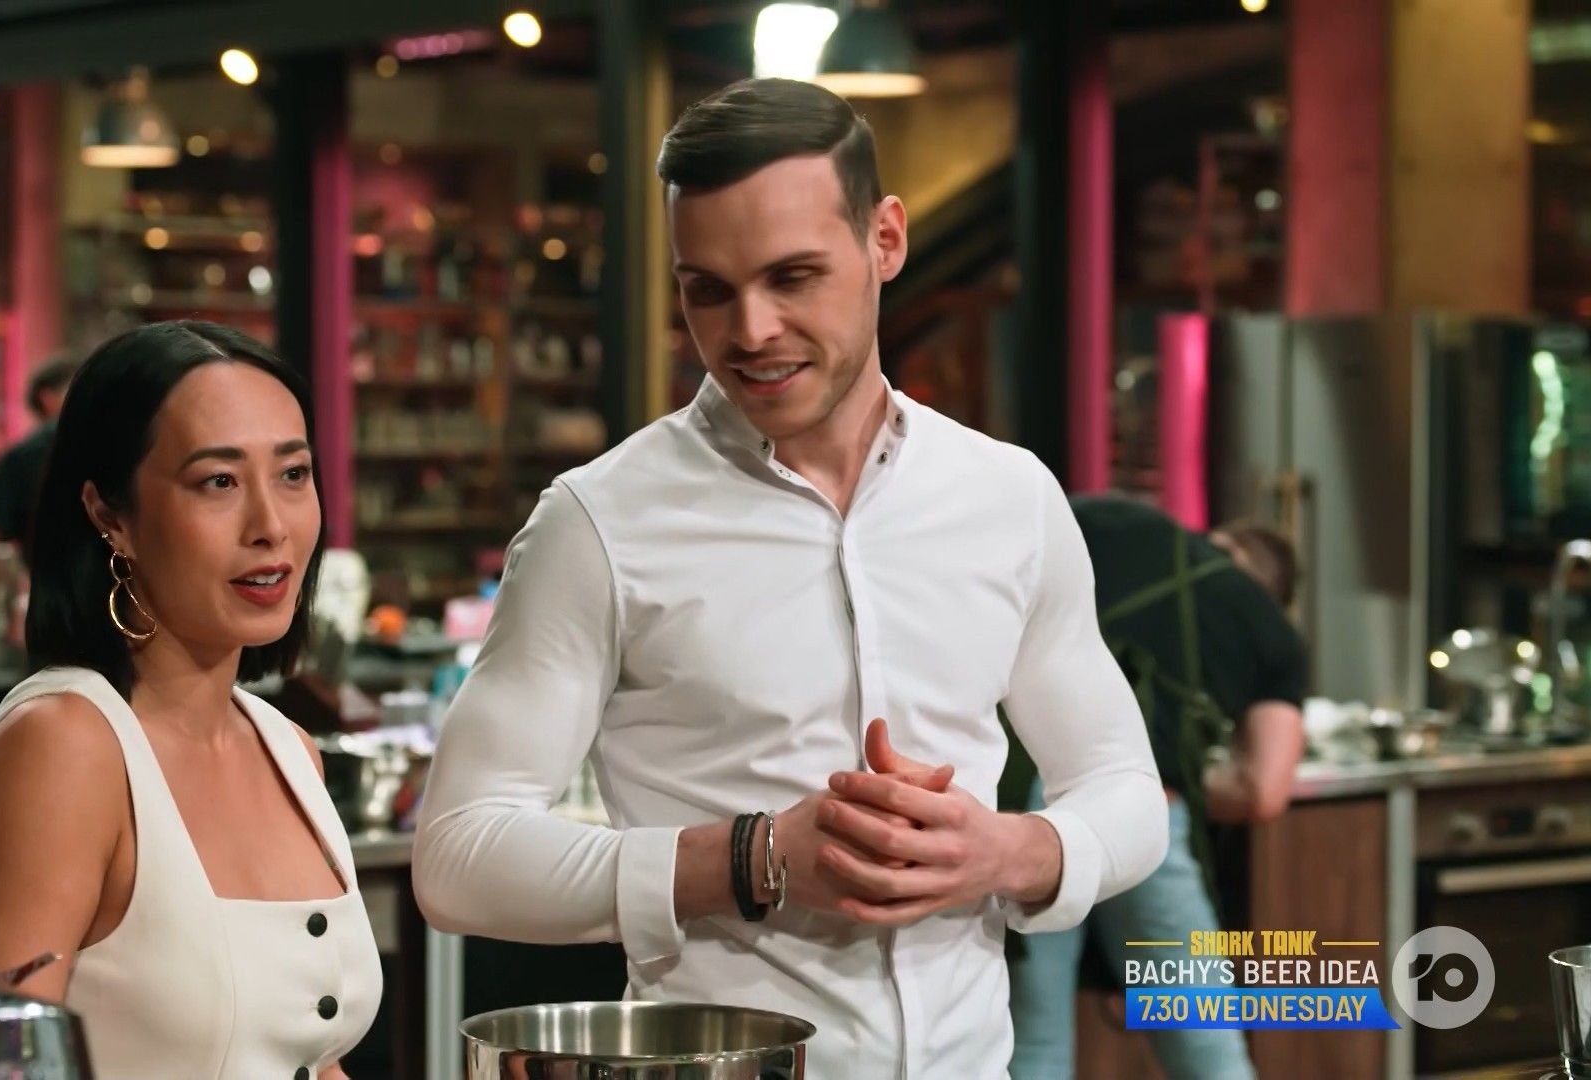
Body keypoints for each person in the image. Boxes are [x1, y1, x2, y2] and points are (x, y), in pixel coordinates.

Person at [412, 78, 1167, 1079]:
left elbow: (1125, 790)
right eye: (707, 290)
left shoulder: (1009, 496)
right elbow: (459, 857)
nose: (752, 330)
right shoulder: (599, 522)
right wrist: (751, 858)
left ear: (885, 240)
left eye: (794, 277)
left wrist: (1004, 853)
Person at [0, 321, 378, 1080]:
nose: (270, 526)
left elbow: (313, 1062)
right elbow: (3, 1069)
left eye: (293, 474)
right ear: (110, 515)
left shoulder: (289, 749)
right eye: (219, 482)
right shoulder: (63, 748)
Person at [1007, 495, 1308, 1080]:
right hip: (1145, 818)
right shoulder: (1272, 631)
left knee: (1034, 1046)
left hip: (1025, 802)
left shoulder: (1123, 523)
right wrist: (1175, 778)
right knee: (1206, 1048)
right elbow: (1262, 790)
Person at [0, 357, 78, 586]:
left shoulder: (27, 456)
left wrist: (3, 587)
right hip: (137, 599)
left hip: (60, 599)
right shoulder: (128, 447)